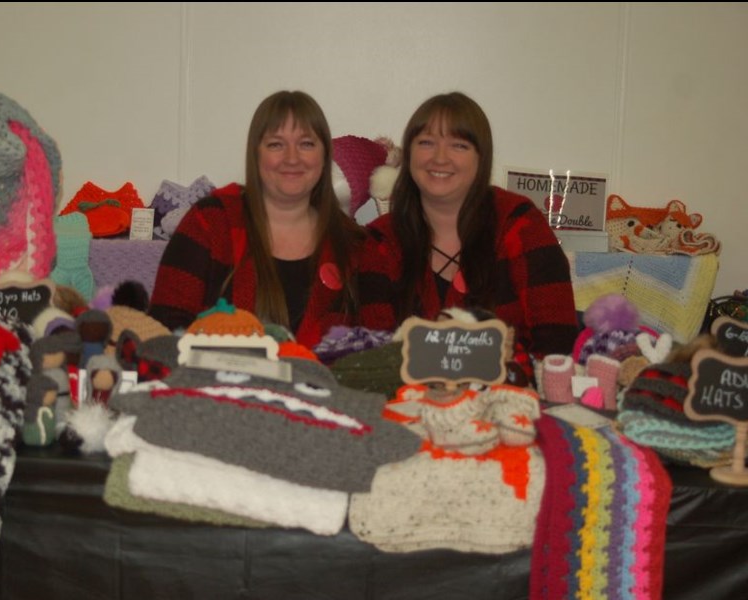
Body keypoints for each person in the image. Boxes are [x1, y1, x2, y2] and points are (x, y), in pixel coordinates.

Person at [359, 92, 578, 382]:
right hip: (404, 409)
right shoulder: (379, 242)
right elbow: (375, 357)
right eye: (426, 142)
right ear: (408, 154)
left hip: (513, 408)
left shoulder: (522, 224)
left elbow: (557, 349)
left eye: (458, 145)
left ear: (481, 157)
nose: (440, 157)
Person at [149, 90, 365, 348]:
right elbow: (164, 328)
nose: (292, 158)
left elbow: (372, 348)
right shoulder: (210, 222)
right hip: (214, 384)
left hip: (326, 386)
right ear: (256, 154)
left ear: (324, 155)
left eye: (306, 144)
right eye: (276, 144)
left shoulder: (354, 243)